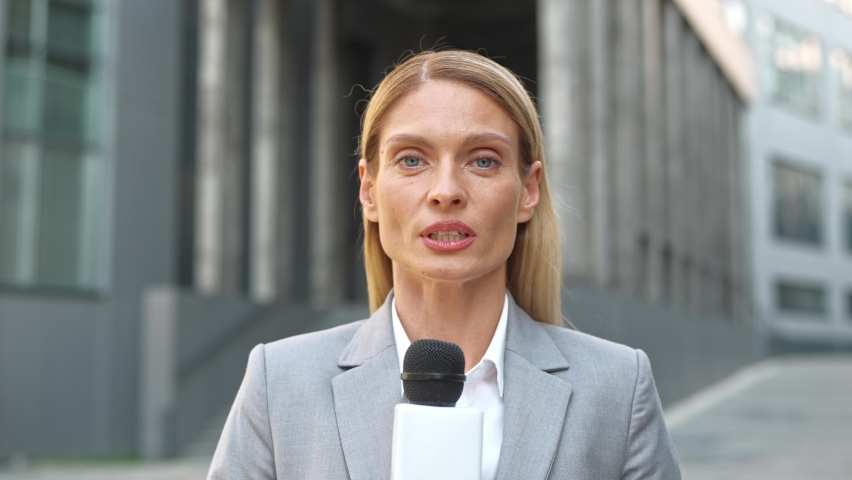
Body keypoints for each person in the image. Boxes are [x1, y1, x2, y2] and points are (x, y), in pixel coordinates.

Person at [208, 50, 681, 480]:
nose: (446, 190)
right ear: (369, 190)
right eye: (412, 160)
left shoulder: (618, 389)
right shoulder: (280, 384)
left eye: (483, 161)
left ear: (528, 191)